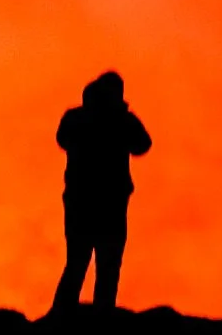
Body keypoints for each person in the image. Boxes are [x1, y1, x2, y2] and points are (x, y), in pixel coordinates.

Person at [49, 71, 152, 314]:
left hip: (86, 199)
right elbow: (143, 144)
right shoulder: (114, 120)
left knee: (86, 261)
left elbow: (143, 144)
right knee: (100, 263)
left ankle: (67, 315)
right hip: (103, 201)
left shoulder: (79, 117)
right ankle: (93, 317)